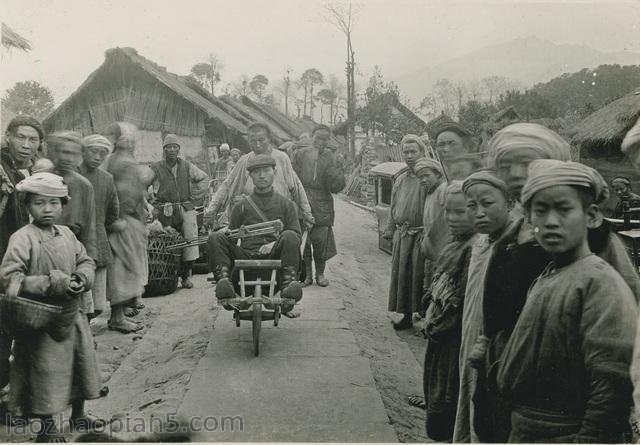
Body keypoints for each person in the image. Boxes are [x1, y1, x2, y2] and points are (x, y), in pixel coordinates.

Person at [476, 123, 640, 442]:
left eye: (527, 162)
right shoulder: (509, 236)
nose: (516, 173)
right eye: (506, 166)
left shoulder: (592, 239)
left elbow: (620, 327)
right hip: (512, 386)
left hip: (566, 402)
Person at [0, 172, 105, 442]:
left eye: (54, 203)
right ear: (27, 206)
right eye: (39, 203)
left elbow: (86, 260)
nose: (47, 209)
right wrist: (51, 283)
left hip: (73, 315)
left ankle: (78, 415)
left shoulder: (68, 234)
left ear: (63, 204)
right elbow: (10, 277)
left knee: (81, 364)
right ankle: (47, 428)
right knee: (46, 372)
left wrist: (81, 278)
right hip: (40, 319)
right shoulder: (23, 238)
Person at [453, 170, 512, 443]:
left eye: (487, 204)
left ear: (509, 203)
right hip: (472, 334)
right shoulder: (479, 243)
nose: (479, 213)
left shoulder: (514, 245)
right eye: (471, 206)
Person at [207, 154, 303, 315]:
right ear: (250, 176)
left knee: (290, 236)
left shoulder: (287, 205)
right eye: (256, 172)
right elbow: (232, 236)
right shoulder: (241, 206)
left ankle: (287, 287)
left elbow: (296, 235)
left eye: (266, 170)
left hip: (276, 257)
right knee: (215, 237)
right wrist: (225, 233)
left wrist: (274, 243)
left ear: (275, 172)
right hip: (246, 257)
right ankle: (225, 284)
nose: (262, 175)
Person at [422, 181, 478, 441]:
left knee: (448, 396)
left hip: (452, 341)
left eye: (460, 212)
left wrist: (435, 326)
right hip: (440, 339)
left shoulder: (473, 250)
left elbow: (461, 299)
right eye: (447, 211)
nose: (451, 219)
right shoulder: (454, 245)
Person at [0, 116, 44, 401]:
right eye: (21, 138)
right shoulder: (3, 171)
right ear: (8, 137)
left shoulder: (28, 173)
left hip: (20, 261)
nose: (26, 145)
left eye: (33, 140)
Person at [205, 123, 314, 230]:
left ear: (269, 139)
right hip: (252, 218)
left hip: (279, 216)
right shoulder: (244, 161)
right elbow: (227, 185)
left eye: (261, 140)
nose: (257, 145)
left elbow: (297, 187)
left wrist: (306, 213)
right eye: (253, 141)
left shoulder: (282, 158)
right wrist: (211, 211)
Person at [102, 122, 150, 334]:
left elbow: (135, 190)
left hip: (129, 218)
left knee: (127, 267)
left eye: (131, 140)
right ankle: (117, 316)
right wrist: (120, 217)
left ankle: (124, 309)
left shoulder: (120, 160)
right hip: (123, 220)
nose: (129, 143)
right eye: (125, 139)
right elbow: (122, 192)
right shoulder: (119, 162)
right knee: (122, 268)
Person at [48, 131, 98, 318]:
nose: (67, 158)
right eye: (63, 152)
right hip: (44, 253)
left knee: (77, 310)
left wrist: (89, 263)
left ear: (80, 157)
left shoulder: (84, 186)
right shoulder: (43, 179)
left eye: (73, 154)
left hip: (73, 253)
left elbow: (89, 227)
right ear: (54, 152)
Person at [149, 134, 209, 289]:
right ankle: (168, 276)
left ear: (179, 149)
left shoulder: (187, 166)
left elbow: (204, 178)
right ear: (164, 149)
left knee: (190, 240)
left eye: (175, 147)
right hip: (165, 209)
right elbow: (143, 184)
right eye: (169, 147)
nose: (172, 150)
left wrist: (194, 197)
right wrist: (152, 201)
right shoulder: (156, 167)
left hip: (185, 206)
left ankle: (185, 276)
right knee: (165, 241)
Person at [383, 134, 428, 331]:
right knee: (403, 275)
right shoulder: (400, 179)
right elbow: (394, 207)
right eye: (406, 152)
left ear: (422, 152)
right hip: (403, 234)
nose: (409, 156)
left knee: (421, 275)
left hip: (421, 235)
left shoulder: (428, 178)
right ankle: (406, 315)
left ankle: (426, 317)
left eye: (413, 152)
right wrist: (390, 228)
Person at [292, 125, 346, 287]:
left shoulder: (332, 157)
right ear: (311, 136)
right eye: (318, 137)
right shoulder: (300, 154)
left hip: (322, 202)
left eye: (325, 138)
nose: (321, 142)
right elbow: (293, 178)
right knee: (304, 241)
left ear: (328, 140)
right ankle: (307, 275)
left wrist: (339, 169)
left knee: (321, 241)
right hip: (302, 198)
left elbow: (336, 187)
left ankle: (320, 274)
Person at [79, 135, 120, 318]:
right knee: (82, 298)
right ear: (83, 151)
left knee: (96, 301)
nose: (97, 157)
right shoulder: (72, 175)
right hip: (77, 242)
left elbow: (113, 211)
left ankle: (84, 333)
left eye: (102, 153)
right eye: (93, 151)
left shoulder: (107, 179)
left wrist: (100, 227)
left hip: (97, 243)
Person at [415, 156, 448, 292]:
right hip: (431, 253)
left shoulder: (443, 190)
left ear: (438, 174)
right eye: (420, 177)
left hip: (442, 253)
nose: (423, 180)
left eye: (427, 176)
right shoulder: (430, 192)